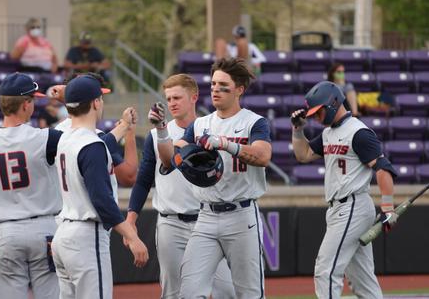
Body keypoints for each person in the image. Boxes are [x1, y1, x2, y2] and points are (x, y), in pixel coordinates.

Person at [152, 58, 272, 298]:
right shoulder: (200, 124)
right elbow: (170, 159)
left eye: (223, 85)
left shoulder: (253, 122)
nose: (215, 89)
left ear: (239, 89)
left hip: (241, 215)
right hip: (205, 216)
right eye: (214, 83)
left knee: (248, 293)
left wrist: (227, 145)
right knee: (189, 291)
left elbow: (262, 156)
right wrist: (163, 130)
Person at [127, 74, 236, 298]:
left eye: (177, 97)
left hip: (208, 220)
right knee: (173, 293)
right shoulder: (155, 135)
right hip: (171, 223)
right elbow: (144, 180)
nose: (172, 103)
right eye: (168, 99)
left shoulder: (211, 128)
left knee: (227, 291)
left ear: (194, 97)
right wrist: (131, 220)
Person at [290, 81, 398, 298]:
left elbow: (383, 168)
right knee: (362, 280)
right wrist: (298, 130)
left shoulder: (358, 132)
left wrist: (388, 206)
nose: (316, 118)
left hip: (352, 206)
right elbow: (303, 155)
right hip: (341, 208)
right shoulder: (330, 132)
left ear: (332, 103)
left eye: (318, 113)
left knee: (326, 270)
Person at [51, 75, 148, 298]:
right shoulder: (91, 143)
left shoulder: (63, 138)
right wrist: (131, 236)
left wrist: (124, 127)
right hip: (86, 236)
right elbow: (102, 200)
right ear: (96, 103)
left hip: (63, 234)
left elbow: (98, 146)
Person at [0, 73, 62, 298]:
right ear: (25, 104)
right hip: (45, 229)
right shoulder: (47, 138)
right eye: (32, 99)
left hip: (6, 232)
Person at [51, 73, 138, 187]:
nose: (101, 102)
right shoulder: (95, 137)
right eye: (99, 98)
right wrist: (128, 130)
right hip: (89, 204)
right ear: (95, 102)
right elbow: (129, 177)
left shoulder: (57, 132)